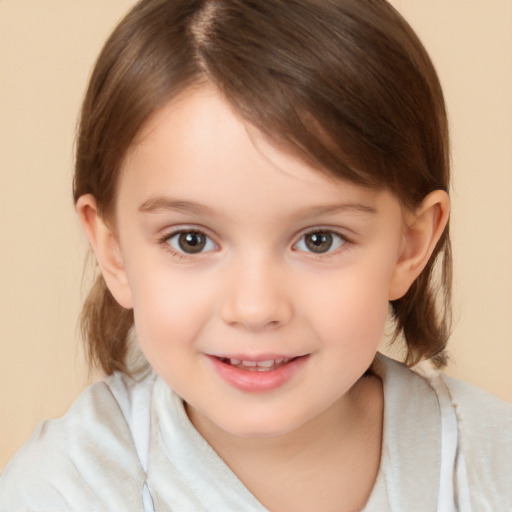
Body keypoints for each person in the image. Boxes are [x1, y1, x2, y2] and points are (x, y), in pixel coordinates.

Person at [1, 0, 510, 510]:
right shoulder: (64, 489)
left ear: (411, 244)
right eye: (191, 240)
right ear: (112, 249)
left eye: (319, 240)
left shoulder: (491, 467)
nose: (255, 308)